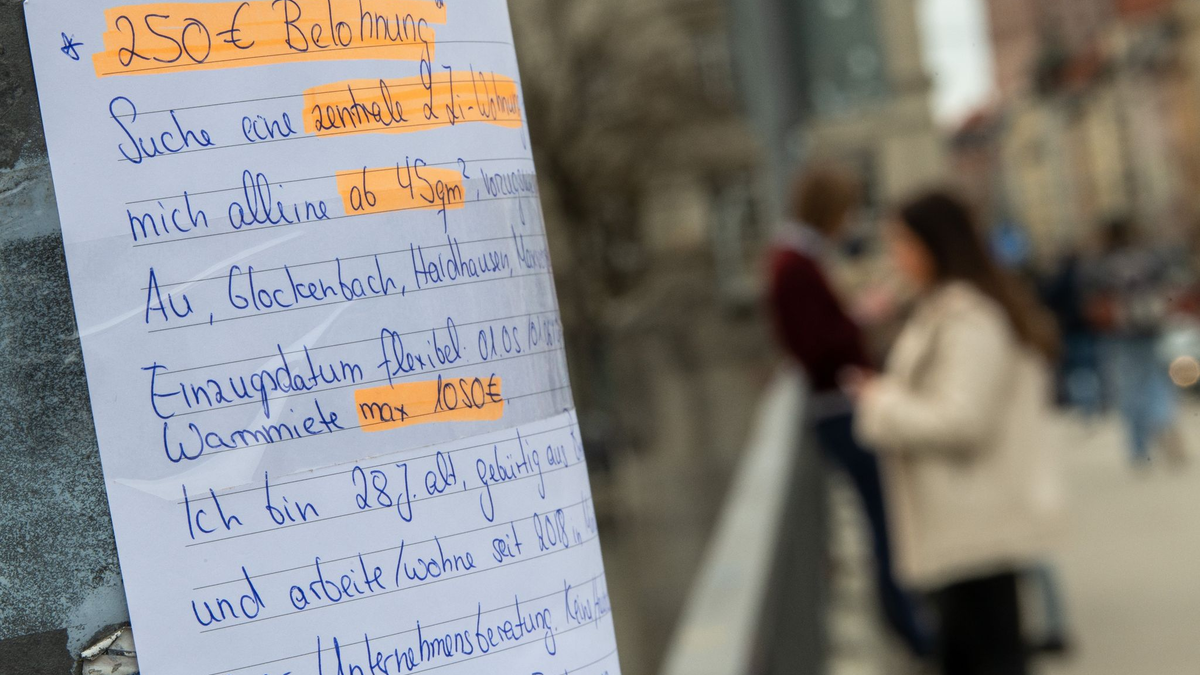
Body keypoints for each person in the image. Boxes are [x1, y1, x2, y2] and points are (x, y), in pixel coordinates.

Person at [846, 191, 1062, 675]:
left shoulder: (967, 317)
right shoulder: (950, 309)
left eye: (900, 242)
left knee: (987, 655)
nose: (894, 256)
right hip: (965, 522)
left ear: (931, 245)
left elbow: (964, 420)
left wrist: (879, 403)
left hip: (973, 522)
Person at [766, 165, 932, 658]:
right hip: (840, 407)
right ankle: (907, 626)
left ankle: (906, 620)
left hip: (837, 405)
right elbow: (814, 344)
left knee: (883, 518)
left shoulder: (795, 258)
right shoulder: (794, 263)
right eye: (846, 211)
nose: (849, 222)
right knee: (884, 520)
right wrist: (862, 316)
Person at [1085, 218, 1185, 466]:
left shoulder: (1100, 265)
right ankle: (1162, 420)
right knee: (1156, 379)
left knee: (1128, 390)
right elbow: (1170, 287)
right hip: (1151, 327)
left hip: (1117, 332)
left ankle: (1138, 448)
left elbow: (1090, 300)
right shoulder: (1149, 259)